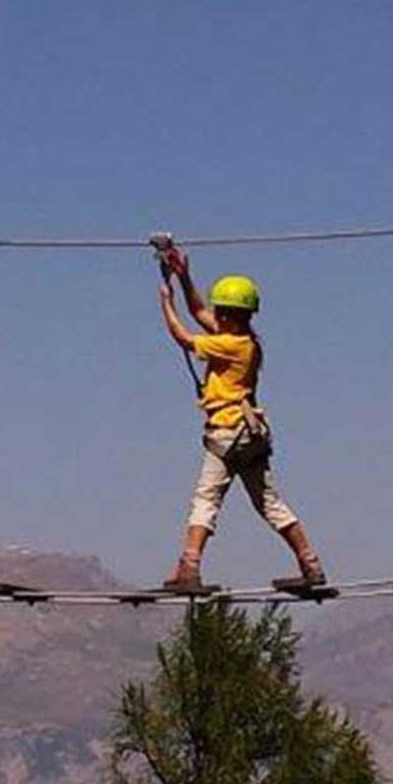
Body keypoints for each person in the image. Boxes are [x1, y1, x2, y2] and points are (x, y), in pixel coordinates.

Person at [154, 243, 325, 590]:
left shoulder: (229, 345)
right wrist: (184, 278)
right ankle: (311, 565)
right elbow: (200, 312)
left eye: (220, 312)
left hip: (227, 432)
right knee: (269, 503)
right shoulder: (245, 342)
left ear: (229, 316)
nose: (214, 315)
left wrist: (165, 302)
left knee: (206, 499)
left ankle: (189, 567)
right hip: (250, 434)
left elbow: (184, 337)